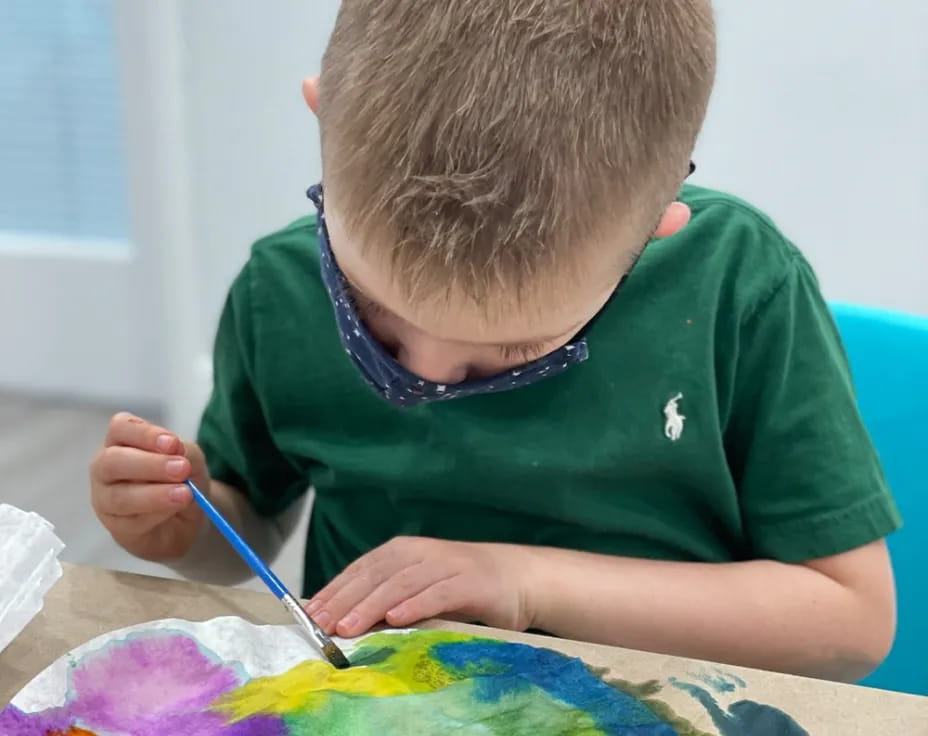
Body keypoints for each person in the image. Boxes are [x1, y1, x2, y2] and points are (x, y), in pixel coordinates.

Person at [90, 0, 900, 682]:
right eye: (374, 312)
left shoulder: (737, 285)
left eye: (511, 352)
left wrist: (525, 581)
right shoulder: (279, 289)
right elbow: (251, 526)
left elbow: (851, 621)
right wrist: (188, 527)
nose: (427, 380)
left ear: (658, 224)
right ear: (321, 113)